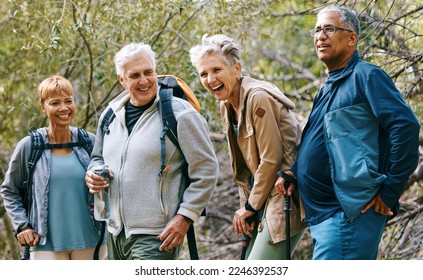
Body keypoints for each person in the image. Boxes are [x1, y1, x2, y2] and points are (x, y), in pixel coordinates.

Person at [275, 6, 420, 260]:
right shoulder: (327, 87)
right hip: (327, 216)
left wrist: (390, 191)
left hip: (349, 213)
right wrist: (295, 173)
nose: (321, 36)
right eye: (317, 30)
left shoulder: (366, 76)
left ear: (352, 38)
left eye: (329, 29)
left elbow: (406, 127)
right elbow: (324, 141)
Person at [85, 42, 219, 260]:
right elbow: (97, 157)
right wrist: (93, 174)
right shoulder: (110, 115)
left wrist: (185, 216)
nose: (144, 80)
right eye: (135, 75)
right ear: (122, 80)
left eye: (149, 72)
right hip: (115, 232)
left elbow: (207, 170)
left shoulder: (180, 115)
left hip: (157, 235)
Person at [189, 34, 306, 260]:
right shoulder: (227, 106)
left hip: (285, 195)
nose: (210, 79)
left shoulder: (257, 98)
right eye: (204, 74)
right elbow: (244, 169)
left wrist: (250, 207)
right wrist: (247, 208)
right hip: (264, 198)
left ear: (236, 68)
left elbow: (271, 160)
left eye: (216, 70)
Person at [1, 75, 106, 260]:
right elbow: (9, 191)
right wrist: (23, 226)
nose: (64, 108)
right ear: (43, 107)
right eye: (55, 102)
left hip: (93, 241)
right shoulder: (30, 146)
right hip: (45, 245)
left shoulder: (88, 142)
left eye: (68, 101)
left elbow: (109, 183)